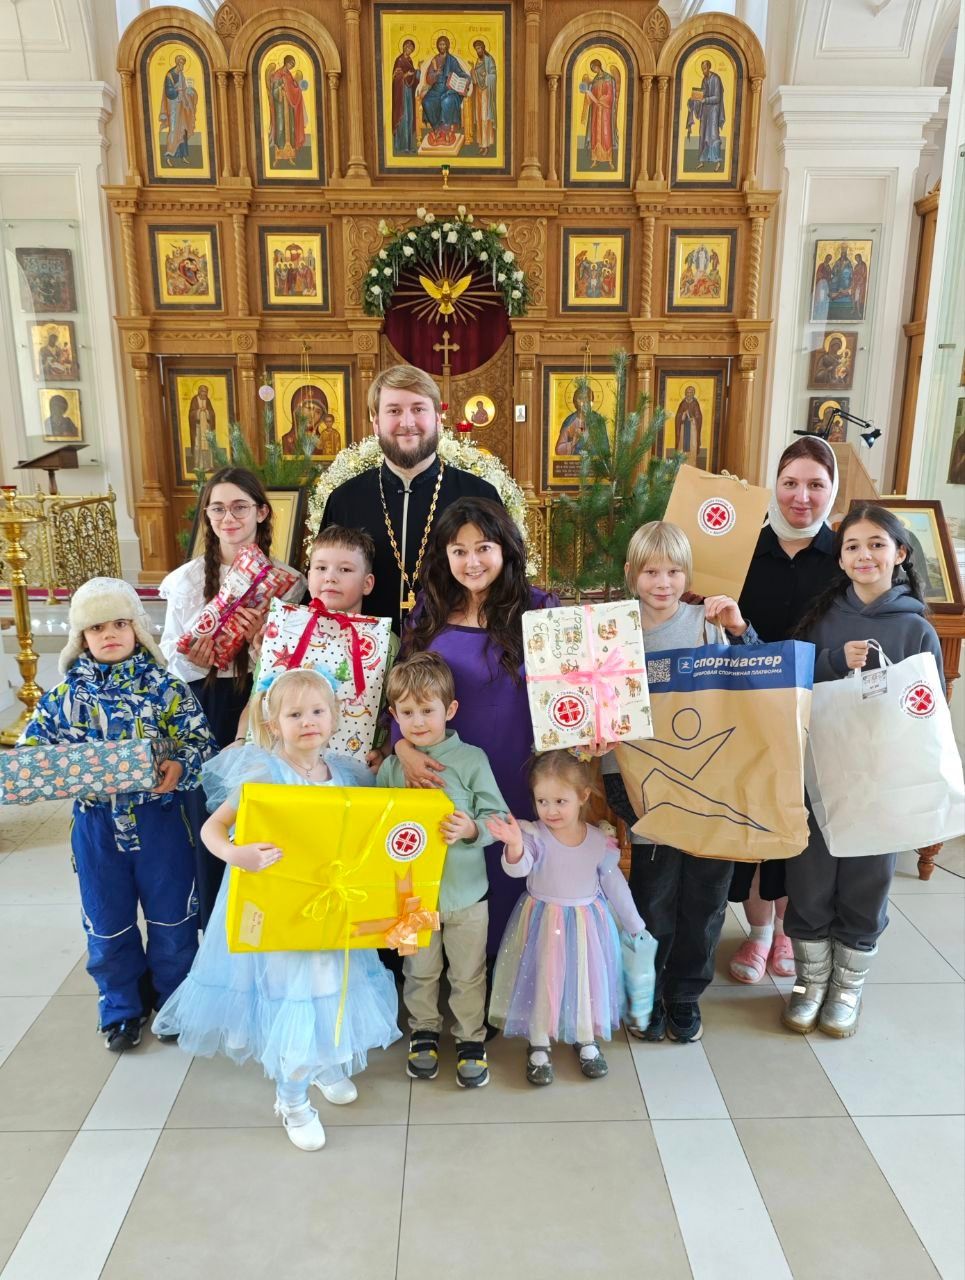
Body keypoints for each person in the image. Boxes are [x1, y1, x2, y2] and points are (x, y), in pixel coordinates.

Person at [153, 668, 401, 1151]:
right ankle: (292, 1098)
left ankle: (324, 1062)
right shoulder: (264, 774)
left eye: (317, 711)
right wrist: (236, 853)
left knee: (332, 984)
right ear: (273, 723)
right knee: (296, 994)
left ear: (334, 717)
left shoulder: (346, 774)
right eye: (295, 714)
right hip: (280, 912)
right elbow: (211, 829)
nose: (308, 722)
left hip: (329, 907)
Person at [18, 577, 216, 1051]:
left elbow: (202, 744)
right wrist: (49, 770)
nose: (109, 634)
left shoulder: (166, 688)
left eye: (120, 624)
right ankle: (121, 1009)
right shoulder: (63, 697)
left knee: (173, 919)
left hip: (161, 823)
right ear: (81, 637)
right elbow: (31, 755)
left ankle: (173, 1002)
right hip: (97, 829)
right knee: (106, 923)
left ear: (137, 629)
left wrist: (180, 764)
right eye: (97, 627)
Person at [782, 505, 944, 1038]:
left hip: (881, 782)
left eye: (877, 544)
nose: (864, 555)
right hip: (819, 775)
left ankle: (847, 986)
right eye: (852, 546)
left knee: (866, 881)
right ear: (840, 558)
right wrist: (834, 661)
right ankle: (809, 982)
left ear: (900, 554)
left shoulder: (915, 628)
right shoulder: (822, 617)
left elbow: (930, 711)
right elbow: (789, 682)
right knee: (810, 879)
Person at [602, 521, 758, 1044]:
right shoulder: (613, 629)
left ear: (687, 574)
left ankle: (686, 993)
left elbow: (758, 678)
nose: (663, 583)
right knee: (653, 894)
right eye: (651, 572)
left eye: (673, 572)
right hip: (639, 781)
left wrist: (738, 629)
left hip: (711, 783)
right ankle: (646, 991)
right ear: (632, 574)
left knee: (707, 895)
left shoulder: (708, 622)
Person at [393, 497, 559, 954]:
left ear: (505, 548)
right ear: (445, 555)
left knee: (508, 859)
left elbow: (570, 689)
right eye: (459, 551)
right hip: (443, 768)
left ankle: (503, 969)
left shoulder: (538, 607)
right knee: (449, 865)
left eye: (483, 548)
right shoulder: (430, 609)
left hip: (517, 764)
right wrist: (402, 748)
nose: (472, 562)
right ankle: (441, 971)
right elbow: (404, 690)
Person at [159, 467, 305, 923]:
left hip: (261, 705)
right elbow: (169, 659)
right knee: (209, 811)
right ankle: (215, 924)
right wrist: (197, 657)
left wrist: (263, 640)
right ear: (207, 516)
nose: (229, 518)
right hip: (203, 703)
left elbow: (294, 659)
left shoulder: (289, 581)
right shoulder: (185, 581)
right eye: (218, 509)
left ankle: (264, 918)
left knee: (260, 806)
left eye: (240, 507)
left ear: (262, 512)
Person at [726, 437, 840, 985]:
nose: (801, 496)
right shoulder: (744, 548)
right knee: (755, 818)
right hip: (749, 707)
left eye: (816, 484)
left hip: (821, 713)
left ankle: (789, 931)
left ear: (832, 490)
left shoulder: (844, 555)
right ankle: (758, 931)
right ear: (774, 486)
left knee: (801, 825)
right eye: (790, 483)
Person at [378, 652, 506, 1088]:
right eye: (407, 713)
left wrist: (472, 829)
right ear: (394, 715)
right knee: (419, 971)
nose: (417, 722)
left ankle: (470, 1038)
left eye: (427, 710)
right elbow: (379, 828)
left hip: (467, 893)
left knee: (468, 973)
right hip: (412, 897)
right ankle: (424, 1032)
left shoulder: (472, 759)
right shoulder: (392, 769)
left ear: (449, 710)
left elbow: (497, 816)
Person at [487, 751, 648, 1085]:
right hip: (544, 922)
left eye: (560, 801)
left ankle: (584, 1036)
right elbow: (518, 869)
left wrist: (635, 924)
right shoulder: (534, 835)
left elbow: (614, 883)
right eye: (542, 801)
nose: (551, 810)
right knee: (545, 979)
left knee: (585, 978)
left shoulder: (599, 841)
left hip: (588, 925)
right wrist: (515, 844)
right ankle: (538, 1041)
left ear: (583, 796)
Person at [317, 364, 501, 631]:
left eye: (418, 409)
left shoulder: (480, 495)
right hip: (362, 649)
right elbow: (321, 586)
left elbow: (505, 584)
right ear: (376, 423)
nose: (407, 422)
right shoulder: (345, 499)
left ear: (437, 418)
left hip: (453, 648)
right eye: (394, 411)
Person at [418, 36, 469, 147]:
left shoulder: (452, 60)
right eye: (440, 44)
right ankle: (437, 129)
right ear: (437, 46)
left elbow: (461, 73)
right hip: (436, 88)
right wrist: (436, 73)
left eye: (443, 44)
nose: (442, 47)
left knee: (446, 101)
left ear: (447, 46)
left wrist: (466, 79)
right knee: (427, 101)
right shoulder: (434, 60)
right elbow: (428, 79)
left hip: (449, 89)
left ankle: (446, 130)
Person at [159, 53, 198, 167]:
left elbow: (184, 89)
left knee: (183, 130)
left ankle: (183, 155)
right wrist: (177, 91)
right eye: (181, 64)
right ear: (177, 63)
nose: (183, 67)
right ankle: (169, 155)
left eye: (184, 64)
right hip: (174, 106)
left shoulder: (181, 75)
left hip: (182, 106)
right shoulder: (169, 75)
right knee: (174, 130)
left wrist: (188, 93)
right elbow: (168, 92)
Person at [582, 59, 617, 168]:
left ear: (599, 66)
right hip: (595, 111)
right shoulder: (595, 80)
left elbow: (609, 95)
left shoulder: (608, 78)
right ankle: (595, 160)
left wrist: (600, 100)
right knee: (595, 133)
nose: (594, 70)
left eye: (594, 68)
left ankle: (609, 160)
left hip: (605, 111)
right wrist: (588, 94)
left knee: (606, 133)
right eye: (592, 69)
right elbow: (591, 96)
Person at [392, 39, 419, 154]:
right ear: (403, 47)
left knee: (410, 117)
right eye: (407, 47)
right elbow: (396, 77)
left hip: (408, 92)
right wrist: (406, 74)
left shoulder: (409, 60)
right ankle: (402, 147)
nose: (409, 49)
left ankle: (408, 146)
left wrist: (417, 71)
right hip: (401, 92)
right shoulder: (399, 60)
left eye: (411, 48)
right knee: (404, 117)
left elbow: (413, 77)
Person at [471, 40, 497, 156]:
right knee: (479, 117)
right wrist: (472, 70)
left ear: (483, 48)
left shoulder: (489, 60)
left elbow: (493, 75)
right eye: (476, 49)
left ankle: (486, 145)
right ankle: (481, 144)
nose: (478, 51)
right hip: (478, 91)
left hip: (486, 91)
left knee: (485, 117)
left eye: (479, 48)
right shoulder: (477, 61)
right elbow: (475, 78)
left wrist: (487, 77)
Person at [188, 384, 215, 473]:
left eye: (206, 392)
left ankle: (208, 465)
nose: (205, 394)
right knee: (197, 445)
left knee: (207, 446)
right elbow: (191, 414)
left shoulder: (208, 400)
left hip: (206, 427)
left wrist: (206, 411)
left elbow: (212, 413)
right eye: (204, 392)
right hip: (198, 428)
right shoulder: (194, 400)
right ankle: (198, 465)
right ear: (199, 391)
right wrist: (199, 411)